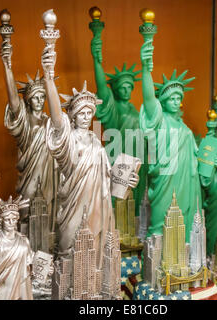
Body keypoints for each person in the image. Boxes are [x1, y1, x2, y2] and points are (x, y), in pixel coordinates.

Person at [41, 47, 138, 267]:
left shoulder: (95, 141)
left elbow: (107, 179)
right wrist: (49, 77)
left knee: (97, 258)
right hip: (75, 206)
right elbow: (57, 120)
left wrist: (128, 181)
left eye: (89, 113)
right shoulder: (69, 140)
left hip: (99, 207)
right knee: (72, 251)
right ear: (73, 116)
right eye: (81, 113)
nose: (86, 117)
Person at [139, 39, 201, 240]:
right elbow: (149, 98)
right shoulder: (159, 120)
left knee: (183, 226)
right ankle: (156, 263)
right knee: (161, 226)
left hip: (186, 184)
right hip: (165, 181)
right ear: (163, 102)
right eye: (171, 98)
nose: (176, 102)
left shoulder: (185, 129)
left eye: (178, 98)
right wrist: (146, 68)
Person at [0, 35, 57, 228]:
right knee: (28, 214)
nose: (40, 100)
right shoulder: (24, 120)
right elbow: (14, 100)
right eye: (35, 97)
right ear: (28, 100)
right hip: (30, 175)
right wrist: (7, 66)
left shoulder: (50, 121)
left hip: (49, 174)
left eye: (43, 97)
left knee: (48, 214)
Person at [90, 33, 147, 218]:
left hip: (136, 158)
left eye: (130, 87)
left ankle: (128, 238)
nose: (127, 90)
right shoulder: (112, 107)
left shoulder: (134, 108)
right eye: (123, 86)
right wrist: (97, 60)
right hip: (119, 159)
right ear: (115, 89)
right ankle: (113, 236)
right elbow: (101, 89)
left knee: (133, 204)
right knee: (117, 203)